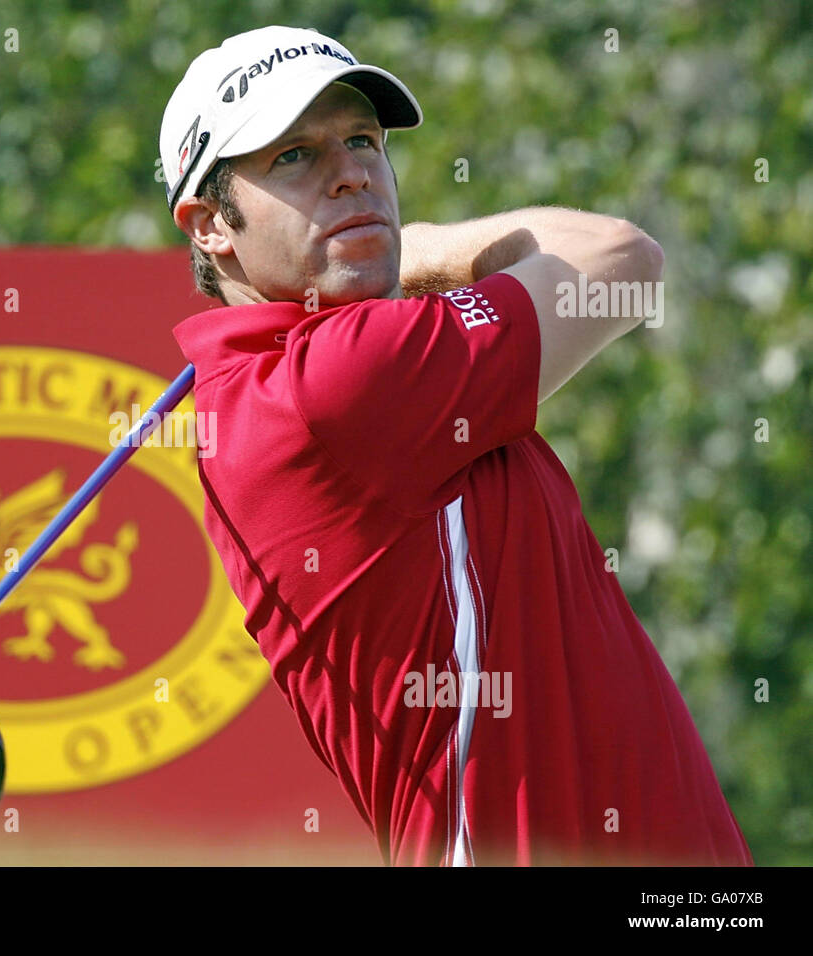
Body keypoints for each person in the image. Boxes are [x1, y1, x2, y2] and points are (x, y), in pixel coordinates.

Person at [160, 24, 753, 865]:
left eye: (362, 140)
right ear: (212, 224)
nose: (353, 172)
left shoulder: (304, 380)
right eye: (294, 156)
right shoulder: (331, 387)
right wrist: (407, 247)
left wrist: (365, 246)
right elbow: (621, 258)